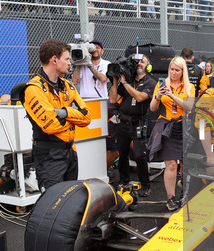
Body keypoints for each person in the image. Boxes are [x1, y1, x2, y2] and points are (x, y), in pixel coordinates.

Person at [21, 39, 92, 193]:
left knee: (71, 200)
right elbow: (51, 126)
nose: (70, 63)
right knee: (52, 203)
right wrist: (74, 119)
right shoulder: (33, 88)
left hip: (70, 152)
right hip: (49, 156)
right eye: (67, 59)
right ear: (54, 60)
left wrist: (65, 113)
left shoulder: (68, 86)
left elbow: (87, 117)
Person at [148, 56, 195, 211]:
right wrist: (158, 96)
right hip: (167, 126)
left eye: (177, 70)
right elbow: (153, 108)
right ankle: (170, 198)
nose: (173, 73)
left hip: (183, 127)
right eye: (171, 69)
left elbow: (189, 106)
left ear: (183, 71)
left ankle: (185, 193)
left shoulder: (189, 87)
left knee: (184, 165)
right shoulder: (161, 84)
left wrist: (172, 96)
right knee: (171, 164)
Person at [109, 54, 156, 197]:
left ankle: (145, 186)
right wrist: (116, 80)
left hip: (138, 123)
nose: (139, 64)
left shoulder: (150, 82)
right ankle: (124, 181)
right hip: (123, 122)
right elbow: (113, 98)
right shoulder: (127, 81)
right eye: (137, 62)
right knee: (122, 154)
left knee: (139, 155)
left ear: (148, 66)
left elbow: (140, 97)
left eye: (143, 62)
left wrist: (125, 83)